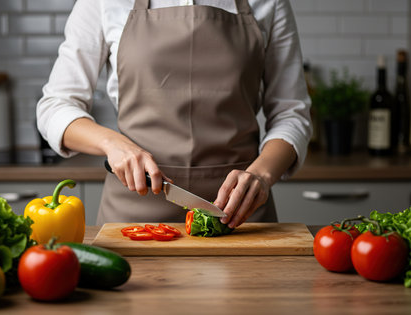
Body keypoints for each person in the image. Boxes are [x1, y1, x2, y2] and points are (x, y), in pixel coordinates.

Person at [36, 0, 312, 228]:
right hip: (134, 215)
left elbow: (291, 113)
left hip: (240, 216)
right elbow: (55, 105)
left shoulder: (268, 3)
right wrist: (113, 144)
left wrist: (262, 175)